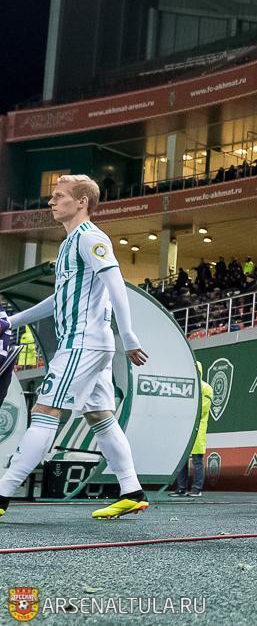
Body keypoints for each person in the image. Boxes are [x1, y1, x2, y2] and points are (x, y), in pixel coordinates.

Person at [0, 175, 151, 520]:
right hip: (90, 345)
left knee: (45, 411)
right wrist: (12, 321)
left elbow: (116, 284)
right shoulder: (70, 243)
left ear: (81, 202)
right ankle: (132, 491)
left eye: (59, 196)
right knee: (100, 416)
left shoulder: (90, 238)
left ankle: (2, 493)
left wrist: (129, 336)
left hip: (81, 344)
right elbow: (60, 299)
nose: (51, 202)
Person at [175, 362, 214, 497]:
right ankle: (181, 488)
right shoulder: (185, 387)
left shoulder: (206, 388)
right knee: (182, 459)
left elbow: (202, 410)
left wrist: (185, 413)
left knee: (197, 459)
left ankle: (197, 489)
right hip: (184, 428)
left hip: (198, 428)